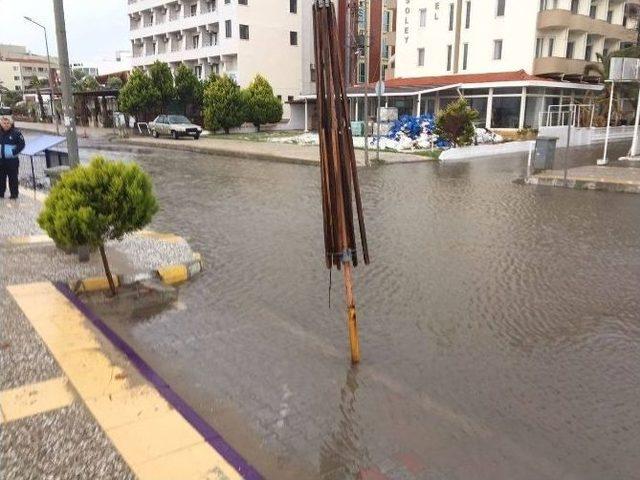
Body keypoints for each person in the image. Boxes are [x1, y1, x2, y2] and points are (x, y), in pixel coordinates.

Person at [0, 115, 25, 199]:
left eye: (8, 123)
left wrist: (12, 152)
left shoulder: (16, 133)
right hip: (1, 160)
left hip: (12, 160)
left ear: (11, 124)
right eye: (4, 123)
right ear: (1, 123)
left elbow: (21, 145)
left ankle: (14, 195)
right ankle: (1, 194)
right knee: (1, 178)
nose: (6, 125)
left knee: (13, 178)